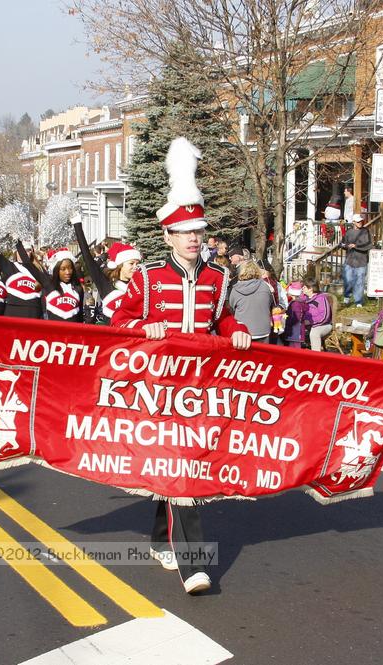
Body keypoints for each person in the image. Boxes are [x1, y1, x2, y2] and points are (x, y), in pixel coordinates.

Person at [111, 137, 250, 596]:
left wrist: (235, 331)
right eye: (184, 231)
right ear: (168, 236)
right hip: (157, 389)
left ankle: (159, 535)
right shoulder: (148, 277)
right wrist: (144, 327)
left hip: (202, 389)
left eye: (198, 231)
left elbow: (221, 317)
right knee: (182, 472)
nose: (193, 238)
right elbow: (119, 322)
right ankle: (194, 565)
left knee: (183, 469)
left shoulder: (219, 277)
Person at [72, 214, 141, 325]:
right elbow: (87, 257)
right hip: (112, 337)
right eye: (131, 263)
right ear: (120, 265)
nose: (135, 267)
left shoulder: (139, 286)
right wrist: (77, 225)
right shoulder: (106, 283)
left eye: (137, 264)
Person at [229, 260, 273, 344]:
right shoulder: (265, 286)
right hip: (263, 330)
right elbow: (269, 303)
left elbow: (231, 307)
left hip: (242, 332)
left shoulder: (235, 289)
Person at [341, 214, 372, 306]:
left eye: (361, 221)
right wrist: (347, 246)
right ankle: (347, 296)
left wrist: (356, 246)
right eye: (358, 221)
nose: (360, 223)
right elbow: (342, 244)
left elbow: (369, 245)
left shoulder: (366, 231)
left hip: (361, 261)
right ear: (353, 222)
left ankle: (358, 301)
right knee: (348, 280)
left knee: (359, 282)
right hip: (349, 260)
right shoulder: (348, 232)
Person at [302, 278, 333, 352]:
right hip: (307, 324)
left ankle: (315, 356)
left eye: (304, 287)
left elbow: (325, 316)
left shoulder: (321, 298)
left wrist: (311, 322)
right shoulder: (303, 299)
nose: (302, 288)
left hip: (324, 325)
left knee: (314, 333)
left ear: (310, 288)